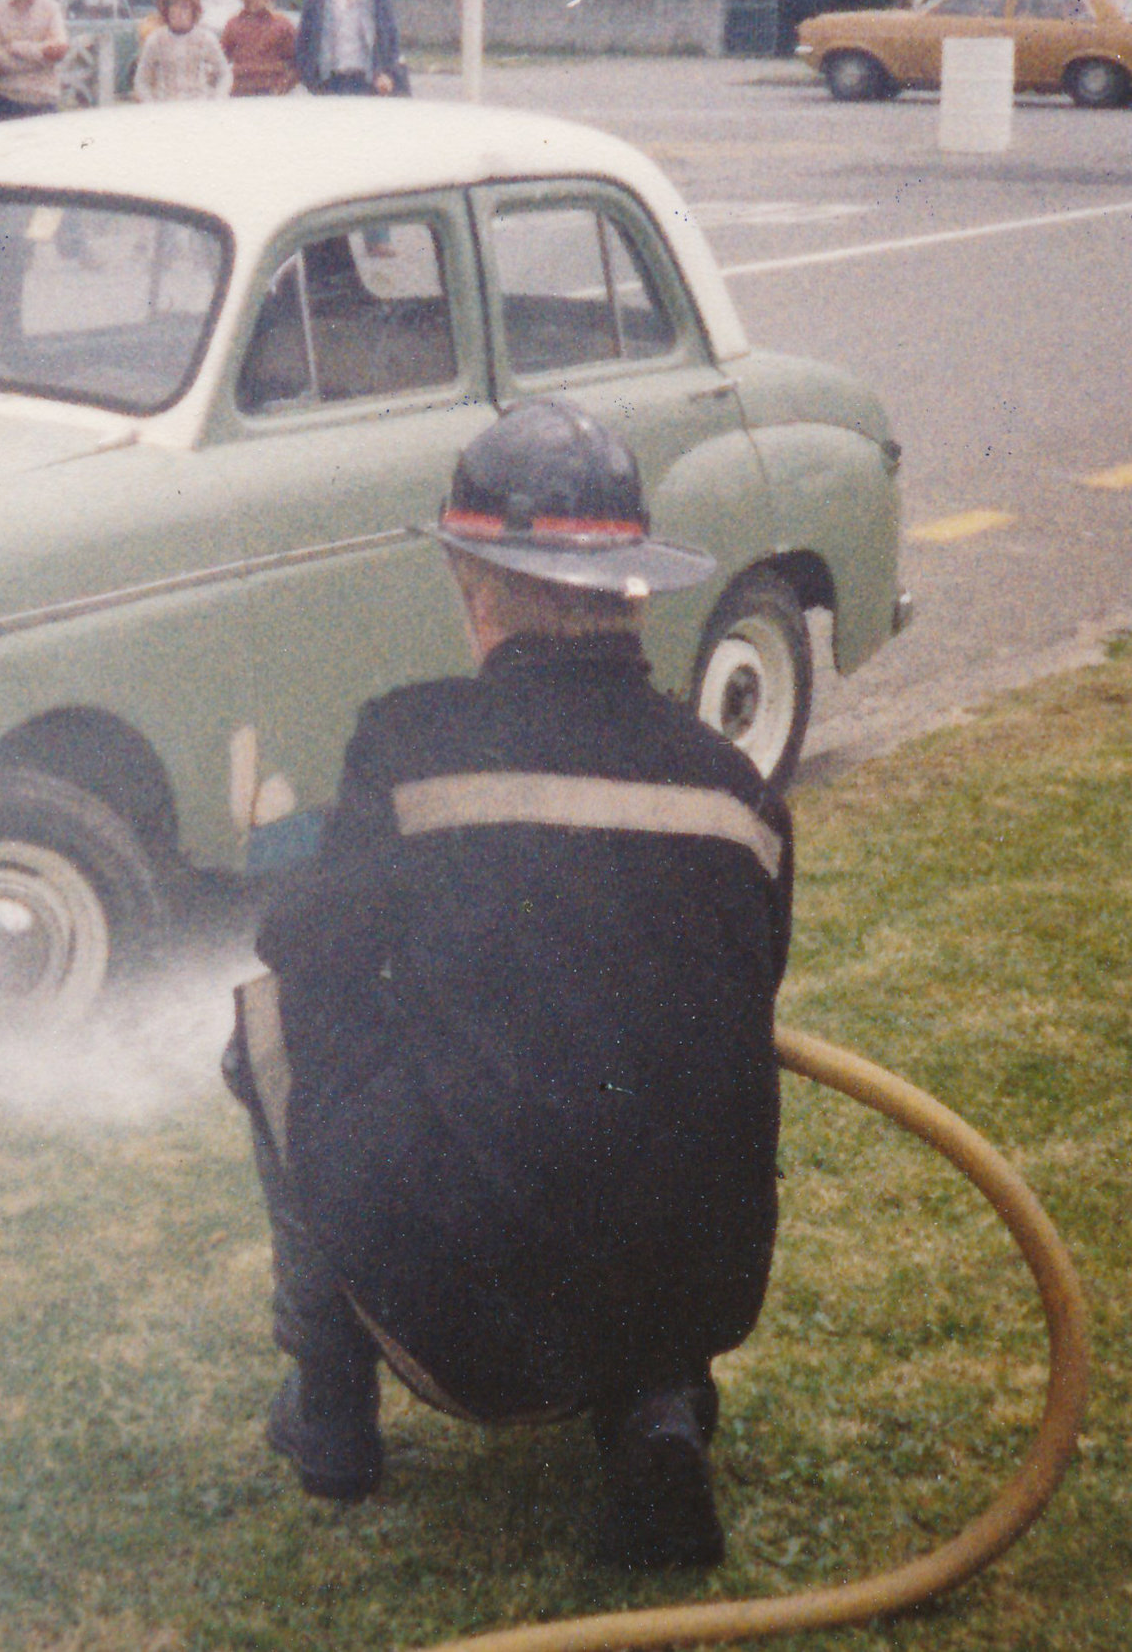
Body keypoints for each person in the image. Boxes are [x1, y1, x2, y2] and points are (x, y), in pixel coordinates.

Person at [226, 398, 790, 1570]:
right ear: (633, 592)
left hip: (476, 1322)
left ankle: (330, 1409)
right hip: (694, 1291)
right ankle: (655, 1409)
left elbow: (308, 954)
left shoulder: (410, 746)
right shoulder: (736, 793)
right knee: (659, 1079)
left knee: (270, 1023)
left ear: (473, 586)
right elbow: (745, 999)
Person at [133, 0, 232, 101]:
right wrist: (151, 105)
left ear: (193, 11)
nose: (179, 13)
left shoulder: (206, 39)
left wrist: (217, 99)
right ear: (166, 11)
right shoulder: (155, 40)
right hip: (166, 105)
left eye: (184, 7)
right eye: (173, 7)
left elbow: (225, 74)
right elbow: (141, 80)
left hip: (199, 105)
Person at [222, 0, 299, 96]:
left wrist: (284, 85)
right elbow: (220, 61)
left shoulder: (283, 25)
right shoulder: (233, 25)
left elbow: (296, 63)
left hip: (273, 94)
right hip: (241, 93)